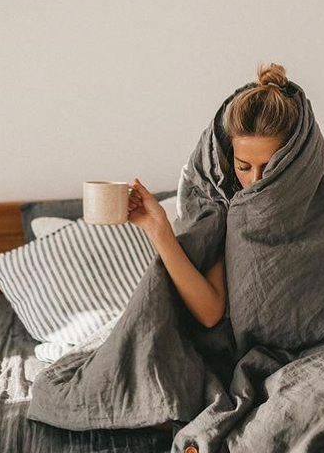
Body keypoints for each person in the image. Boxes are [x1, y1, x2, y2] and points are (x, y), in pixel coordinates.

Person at [128, 62, 299, 328]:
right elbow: (210, 314)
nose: (255, 181)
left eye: (270, 167)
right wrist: (157, 228)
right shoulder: (223, 210)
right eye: (244, 167)